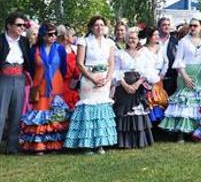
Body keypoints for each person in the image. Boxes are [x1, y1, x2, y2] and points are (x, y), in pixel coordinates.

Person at [64, 16, 117, 154]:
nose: (99, 27)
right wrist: (93, 78)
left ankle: (100, 144)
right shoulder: (84, 41)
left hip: (104, 79)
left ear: (105, 27)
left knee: (101, 110)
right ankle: (87, 144)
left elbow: (111, 63)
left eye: (102, 25)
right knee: (88, 109)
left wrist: (107, 79)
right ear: (91, 27)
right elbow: (79, 63)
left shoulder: (110, 43)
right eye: (96, 25)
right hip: (89, 79)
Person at [19, 23, 70, 153]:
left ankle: (55, 144)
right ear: (42, 35)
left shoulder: (60, 49)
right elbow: (30, 68)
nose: (53, 37)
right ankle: (38, 145)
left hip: (56, 84)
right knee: (40, 112)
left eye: (55, 34)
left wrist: (55, 78)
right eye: (50, 34)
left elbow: (64, 68)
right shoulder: (34, 50)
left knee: (56, 114)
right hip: (39, 85)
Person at [160, 18, 201, 141]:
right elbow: (178, 61)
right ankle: (181, 133)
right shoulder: (183, 42)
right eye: (191, 26)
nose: (193, 28)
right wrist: (185, 77)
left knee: (198, 102)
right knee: (184, 102)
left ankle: (197, 132)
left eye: (195, 25)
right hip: (185, 75)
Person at [113, 28, 155, 149]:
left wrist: (137, 84)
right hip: (123, 86)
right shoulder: (119, 53)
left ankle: (139, 141)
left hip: (138, 86)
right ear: (126, 39)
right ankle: (124, 142)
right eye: (129, 38)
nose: (132, 40)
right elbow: (116, 71)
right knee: (124, 112)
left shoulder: (144, 54)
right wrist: (125, 85)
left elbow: (148, 70)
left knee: (138, 111)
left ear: (138, 40)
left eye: (134, 38)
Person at [1, 13, 33, 154]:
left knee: (16, 113)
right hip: (3, 77)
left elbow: (28, 60)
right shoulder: (1, 40)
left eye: (24, 25)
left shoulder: (24, 41)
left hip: (19, 77)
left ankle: (12, 146)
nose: (22, 28)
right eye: (19, 25)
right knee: (1, 114)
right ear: (9, 25)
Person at [141, 28, 169, 123]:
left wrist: (162, 74)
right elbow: (142, 66)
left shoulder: (161, 47)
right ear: (149, 37)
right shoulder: (143, 50)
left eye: (158, 35)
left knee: (160, 99)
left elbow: (166, 62)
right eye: (154, 35)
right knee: (150, 100)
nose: (157, 37)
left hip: (159, 78)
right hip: (148, 79)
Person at [57, 25, 80, 107]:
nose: (74, 37)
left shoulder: (75, 49)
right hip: (61, 84)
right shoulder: (58, 49)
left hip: (73, 84)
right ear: (66, 36)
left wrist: (76, 79)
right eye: (72, 35)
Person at [157, 17, 179, 96]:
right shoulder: (153, 41)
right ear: (159, 27)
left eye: (168, 25)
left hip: (171, 80)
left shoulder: (176, 42)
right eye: (164, 25)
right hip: (155, 79)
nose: (167, 27)